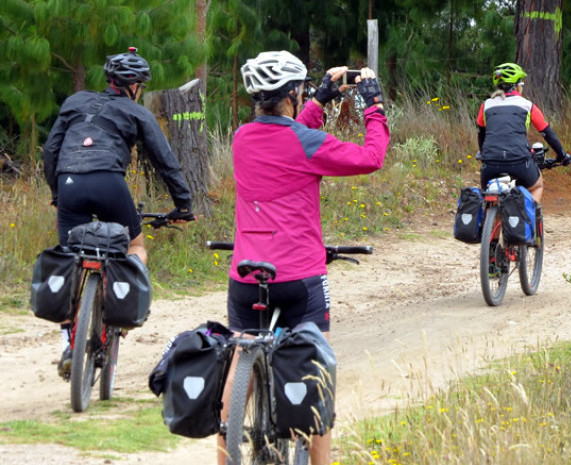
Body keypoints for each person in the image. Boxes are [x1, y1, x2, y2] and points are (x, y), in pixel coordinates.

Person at [219, 50, 389, 465]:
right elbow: (371, 157)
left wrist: (321, 99)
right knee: (319, 372)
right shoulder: (305, 142)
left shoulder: (242, 139)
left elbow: (287, 139)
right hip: (299, 279)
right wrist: (374, 107)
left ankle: (224, 457)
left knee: (239, 354)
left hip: (245, 277)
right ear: (292, 93)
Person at [42, 47, 194, 377]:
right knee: (135, 247)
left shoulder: (75, 102)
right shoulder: (136, 112)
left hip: (69, 182)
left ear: (110, 79)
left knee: (71, 260)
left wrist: (57, 192)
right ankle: (119, 302)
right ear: (135, 86)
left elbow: (51, 149)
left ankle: (72, 341)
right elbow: (164, 161)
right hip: (110, 182)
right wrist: (183, 205)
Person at [476, 62, 571, 204]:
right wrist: (562, 155)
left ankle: (489, 223)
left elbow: (481, 134)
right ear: (517, 86)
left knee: (488, 195)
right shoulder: (527, 105)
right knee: (537, 185)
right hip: (520, 162)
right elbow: (547, 133)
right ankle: (528, 219)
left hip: (489, 166)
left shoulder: (486, 105)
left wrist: (484, 153)